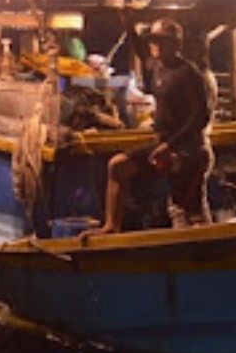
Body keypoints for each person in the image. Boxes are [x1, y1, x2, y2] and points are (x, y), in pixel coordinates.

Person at [84, 18, 216, 235]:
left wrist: (171, 146)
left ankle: (204, 247)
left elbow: (201, 117)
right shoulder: (156, 67)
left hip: (189, 151)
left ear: (176, 45)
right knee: (117, 166)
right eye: (153, 41)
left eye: (162, 41)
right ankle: (110, 226)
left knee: (189, 212)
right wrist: (127, 22)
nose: (155, 45)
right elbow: (141, 51)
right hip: (164, 144)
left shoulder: (188, 74)